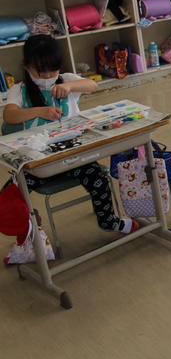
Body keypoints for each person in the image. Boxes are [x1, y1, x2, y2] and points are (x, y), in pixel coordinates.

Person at [2, 35, 139, 234]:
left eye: (53, 70)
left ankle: (108, 220)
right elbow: (9, 115)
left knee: (98, 177)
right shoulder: (19, 90)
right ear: (26, 67)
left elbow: (92, 85)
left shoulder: (66, 80)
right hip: (41, 165)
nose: (48, 76)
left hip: (74, 159)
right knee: (10, 194)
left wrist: (69, 86)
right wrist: (39, 111)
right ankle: (28, 228)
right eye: (41, 71)